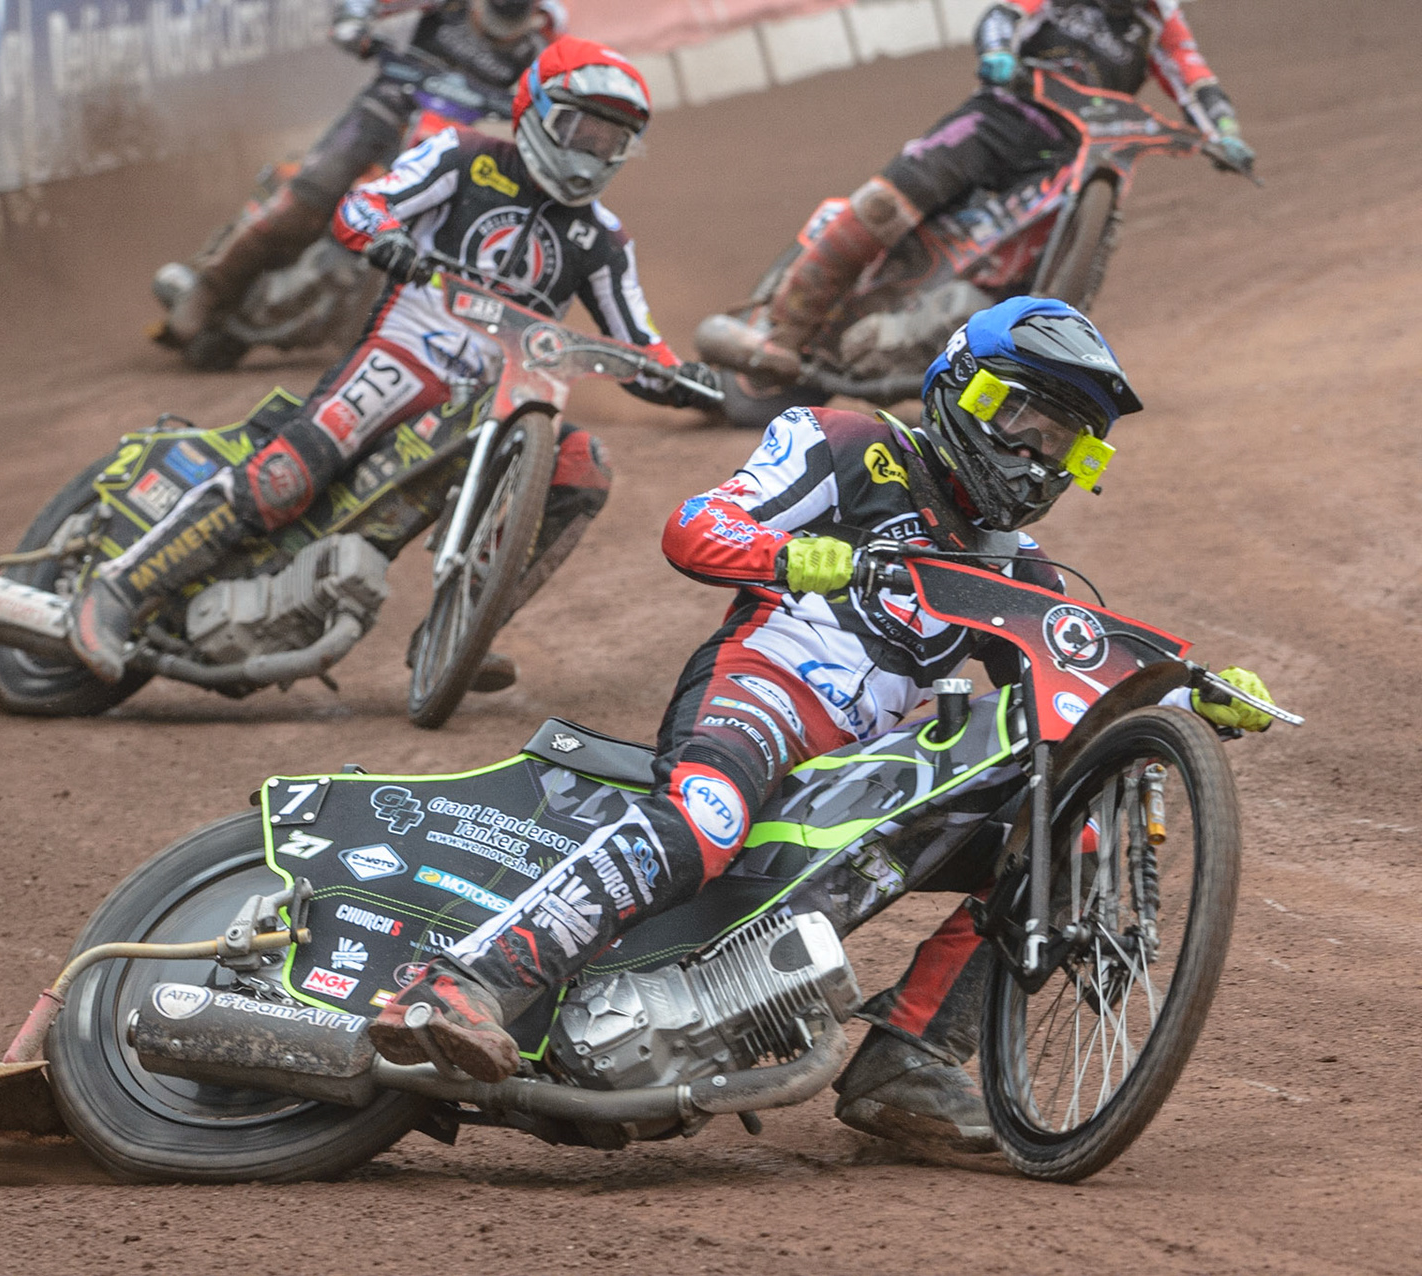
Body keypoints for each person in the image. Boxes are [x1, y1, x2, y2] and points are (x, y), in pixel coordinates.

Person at [371, 296, 1277, 1152]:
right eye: (1027, 424)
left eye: (1066, 445)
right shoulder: (850, 442)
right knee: (705, 817)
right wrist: (788, 554)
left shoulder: (1018, 570)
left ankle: (908, 1061)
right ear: (967, 391)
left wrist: (1187, 697)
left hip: (863, 762)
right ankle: (462, 983)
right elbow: (694, 529)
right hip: (764, 686)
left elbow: (1081, 684)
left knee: (1059, 841)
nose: (1039, 459)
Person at [70, 37, 719, 686]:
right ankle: (119, 590)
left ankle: (463, 624)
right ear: (538, 112)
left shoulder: (602, 240)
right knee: (286, 478)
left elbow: (640, 346)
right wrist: (385, 239)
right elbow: (362, 205)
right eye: (582, 129)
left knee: (584, 467)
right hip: (405, 355)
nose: (592, 153)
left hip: (495, 401)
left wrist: (682, 377)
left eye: (611, 141)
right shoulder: (464, 156)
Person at [754, 0, 1255, 377]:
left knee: (1044, 255)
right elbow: (1004, 13)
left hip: (1074, 151)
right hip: (1001, 117)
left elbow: (1195, 77)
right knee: (886, 204)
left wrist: (1225, 132)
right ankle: (789, 329)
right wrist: (996, 51)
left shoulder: (1158, 20)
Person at [158, 0, 568, 360]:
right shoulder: (447, 6)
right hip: (385, 108)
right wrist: (354, 24)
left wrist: (543, 112)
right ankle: (208, 289)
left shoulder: (545, 33)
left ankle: (397, 326)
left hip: (444, 142)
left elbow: (564, 89)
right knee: (306, 200)